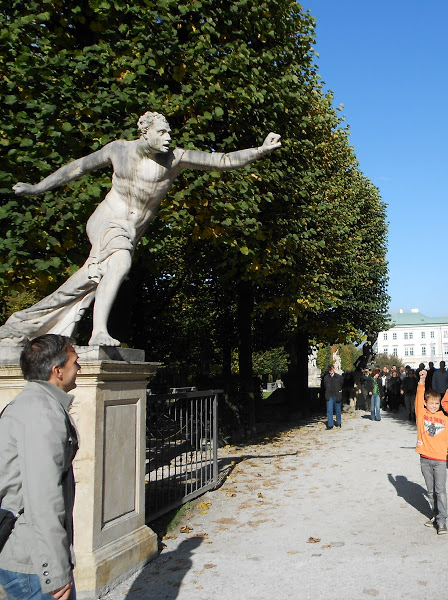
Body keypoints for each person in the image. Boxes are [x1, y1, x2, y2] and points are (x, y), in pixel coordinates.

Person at [1, 112, 281, 346]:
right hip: (108, 219)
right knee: (119, 263)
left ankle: (24, 323)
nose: (168, 138)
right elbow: (76, 169)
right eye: (162, 133)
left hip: (132, 230)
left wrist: (260, 150)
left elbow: (222, 161)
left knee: (91, 278)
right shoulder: (118, 150)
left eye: (169, 133)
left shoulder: (175, 158)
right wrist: (37, 188)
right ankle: (98, 332)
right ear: (144, 133)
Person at [0, 334, 81, 600]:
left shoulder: (35, 404)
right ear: (57, 370)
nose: (78, 368)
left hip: (30, 557)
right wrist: (55, 573)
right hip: (32, 563)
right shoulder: (41, 413)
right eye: (74, 362)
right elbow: (43, 498)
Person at [414, 369, 448, 535]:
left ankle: (442, 520)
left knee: (440, 490)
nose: (433, 406)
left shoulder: (444, 419)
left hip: (439, 460)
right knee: (430, 491)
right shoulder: (421, 414)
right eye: (431, 403)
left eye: (436, 404)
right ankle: (435, 513)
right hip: (425, 459)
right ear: (426, 403)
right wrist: (422, 381)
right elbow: (418, 397)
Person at [321, 364, 343, 430]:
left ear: (334, 369)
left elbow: (341, 385)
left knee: (338, 410)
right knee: (329, 410)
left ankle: (338, 423)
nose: (331, 370)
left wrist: (339, 392)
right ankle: (330, 424)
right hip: (329, 396)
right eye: (329, 369)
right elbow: (324, 386)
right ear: (328, 370)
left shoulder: (339, 377)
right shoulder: (326, 378)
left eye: (332, 369)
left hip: (337, 395)